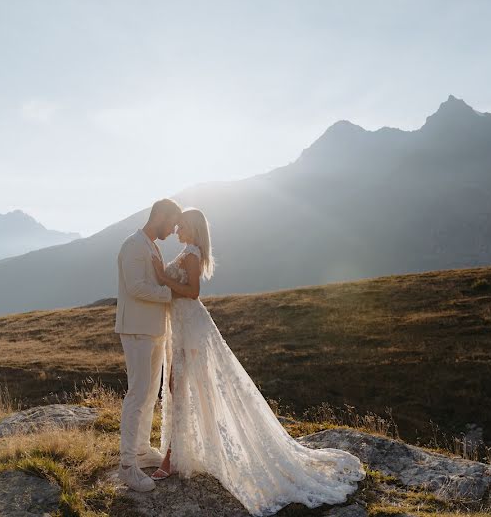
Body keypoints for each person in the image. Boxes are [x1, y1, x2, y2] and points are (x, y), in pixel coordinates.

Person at [150, 207, 365, 515]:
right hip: (182, 327)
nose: (177, 229)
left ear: (194, 230)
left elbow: (193, 293)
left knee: (179, 387)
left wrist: (161, 277)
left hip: (191, 328)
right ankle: (185, 451)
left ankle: (171, 459)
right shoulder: (187, 252)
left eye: (182, 225)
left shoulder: (193, 255)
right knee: (179, 387)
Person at [114, 198, 182, 492]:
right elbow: (135, 287)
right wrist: (171, 294)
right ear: (160, 217)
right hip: (137, 330)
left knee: (150, 393)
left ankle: (141, 450)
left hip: (154, 331)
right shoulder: (132, 245)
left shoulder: (152, 245)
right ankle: (127, 466)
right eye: (172, 222)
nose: (174, 228)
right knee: (138, 394)